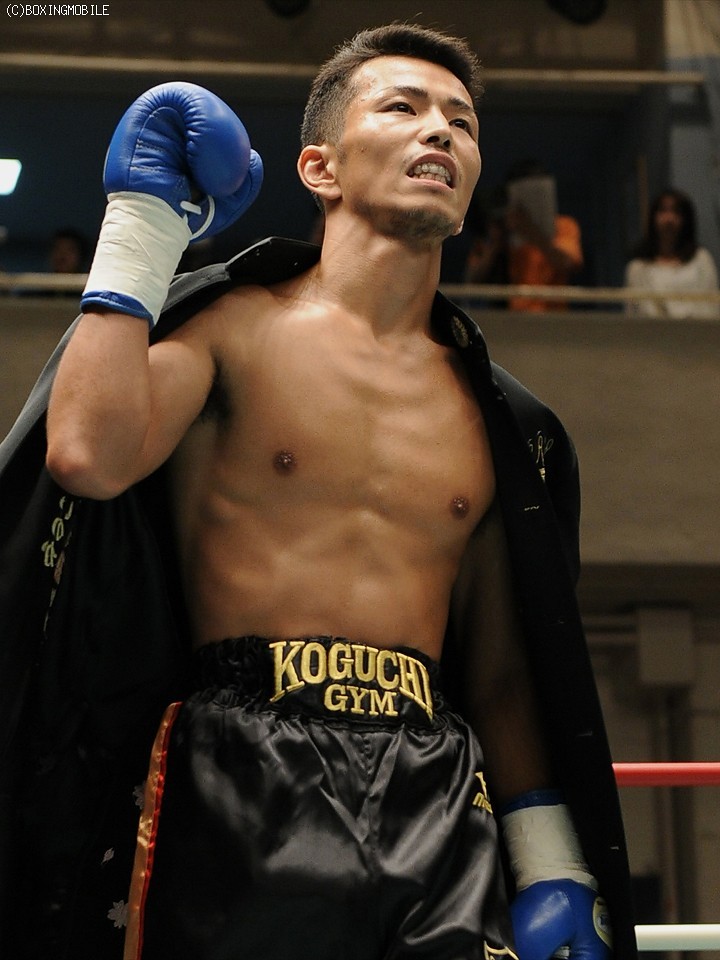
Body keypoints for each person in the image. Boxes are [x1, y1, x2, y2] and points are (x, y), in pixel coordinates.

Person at [0, 24, 636, 960]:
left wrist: (550, 861)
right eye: (403, 107)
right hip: (241, 769)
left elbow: (503, 668)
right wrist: (141, 225)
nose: (440, 131)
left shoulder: (501, 420)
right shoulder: (231, 330)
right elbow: (88, 455)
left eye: (461, 122)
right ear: (319, 167)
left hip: (434, 778)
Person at [466, 160, 583, 311]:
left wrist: (531, 230)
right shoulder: (501, 230)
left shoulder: (564, 226)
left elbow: (566, 262)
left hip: (553, 314)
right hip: (513, 315)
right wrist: (497, 242)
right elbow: (472, 280)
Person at [624, 188, 719, 319]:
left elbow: (711, 308)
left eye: (676, 212)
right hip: (654, 330)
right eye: (663, 211)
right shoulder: (638, 268)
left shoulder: (701, 260)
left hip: (695, 329)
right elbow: (633, 317)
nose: (669, 219)